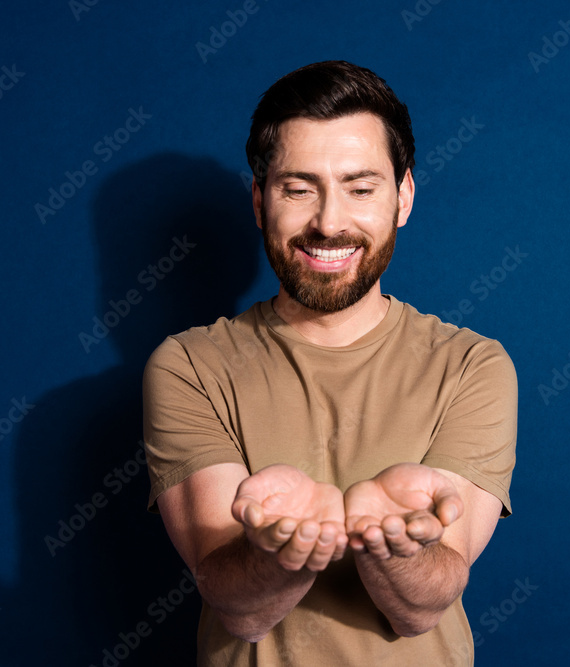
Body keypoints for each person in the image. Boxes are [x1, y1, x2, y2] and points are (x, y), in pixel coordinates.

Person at [143, 60, 517, 666]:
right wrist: (283, 550)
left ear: (404, 197)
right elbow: (242, 609)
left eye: (359, 187)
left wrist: (386, 542)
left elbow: (420, 609)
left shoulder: (472, 366)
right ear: (261, 203)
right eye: (298, 188)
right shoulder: (189, 367)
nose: (329, 222)